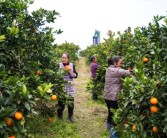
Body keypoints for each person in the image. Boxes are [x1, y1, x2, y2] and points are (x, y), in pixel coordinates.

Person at [104, 56, 131, 129]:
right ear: (115, 63)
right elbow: (127, 73)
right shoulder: (116, 70)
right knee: (115, 116)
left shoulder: (108, 69)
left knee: (111, 113)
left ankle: (108, 128)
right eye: (120, 63)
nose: (122, 64)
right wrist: (135, 70)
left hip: (107, 96)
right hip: (114, 98)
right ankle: (113, 134)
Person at [57, 52, 78, 122]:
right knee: (61, 104)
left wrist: (70, 72)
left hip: (70, 87)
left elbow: (75, 76)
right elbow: (55, 76)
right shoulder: (59, 65)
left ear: (68, 59)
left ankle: (70, 116)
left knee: (70, 103)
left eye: (65, 58)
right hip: (61, 87)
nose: (63, 59)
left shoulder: (72, 65)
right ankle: (59, 117)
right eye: (62, 57)